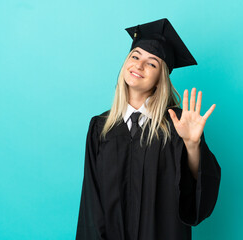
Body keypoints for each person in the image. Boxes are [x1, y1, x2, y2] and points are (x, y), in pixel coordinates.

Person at [75, 18, 221, 240]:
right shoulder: (100, 128)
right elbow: (90, 203)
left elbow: (195, 195)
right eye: (135, 56)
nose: (139, 66)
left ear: (160, 78)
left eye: (152, 63)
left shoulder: (177, 124)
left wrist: (192, 145)